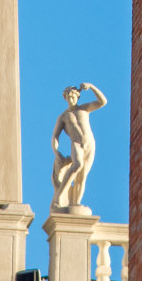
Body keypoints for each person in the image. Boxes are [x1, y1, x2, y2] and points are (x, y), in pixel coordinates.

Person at [50, 81, 107, 210]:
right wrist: (56, 151)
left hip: (90, 143)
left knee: (82, 175)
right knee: (78, 165)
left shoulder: (84, 109)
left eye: (73, 97)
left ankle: (75, 203)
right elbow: (55, 136)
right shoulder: (64, 116)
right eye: (69, 97)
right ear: (65, 98)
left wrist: (92, 86)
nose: (71, 99)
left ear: (77, 97)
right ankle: (60, 195)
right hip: (76, 144)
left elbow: (103, 102)